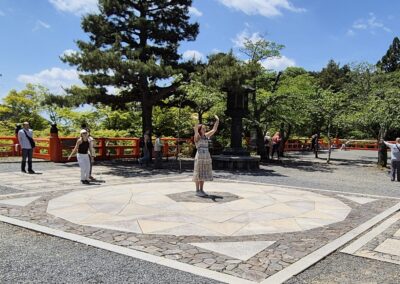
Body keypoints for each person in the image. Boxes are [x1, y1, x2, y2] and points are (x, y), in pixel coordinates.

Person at [193, 115, 219, 197]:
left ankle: (201, 190)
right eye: (203, 128)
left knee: (203, 173)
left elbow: (214, 129)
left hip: (206, 156)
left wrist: (217, 120)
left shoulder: (206, 136)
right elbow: (196, 130)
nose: (205, 129)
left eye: (205, 128)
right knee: (198, 173)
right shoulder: (197, 137)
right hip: (200, 156)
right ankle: (197, 190)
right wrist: (196, 121)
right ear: (200, 130)